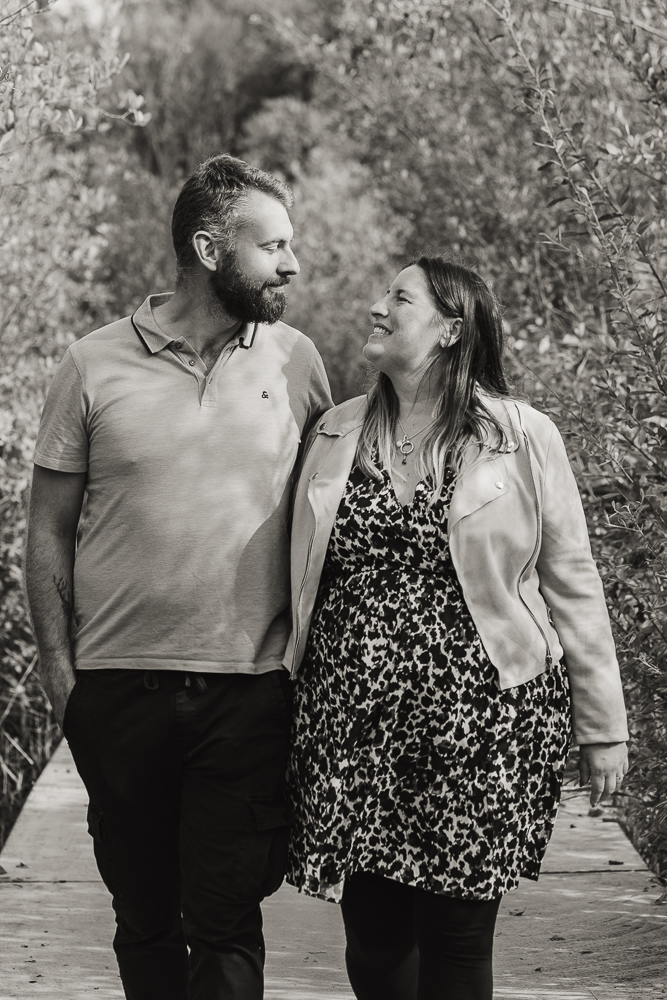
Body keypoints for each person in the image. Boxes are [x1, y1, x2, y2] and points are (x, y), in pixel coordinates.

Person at [24, 153, 332, 1000]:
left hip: (248, 690)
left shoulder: (296, 362)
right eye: (272, 247)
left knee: (228, 916)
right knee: (145, 916)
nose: (292, 264)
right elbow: (45, 529)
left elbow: (331, 519)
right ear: (208, 249)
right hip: (117, 692)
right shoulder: (92, 365)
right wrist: (62, 680)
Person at [284, 253, 628, 1000]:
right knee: (374, 941)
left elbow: (571, 579)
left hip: (483, 723)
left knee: (457, 937)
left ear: (449, 328)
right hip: (356, 725)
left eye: (398, 298)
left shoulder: (522, 436)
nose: (377, 307)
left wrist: (603, 725)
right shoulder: (336, 431)